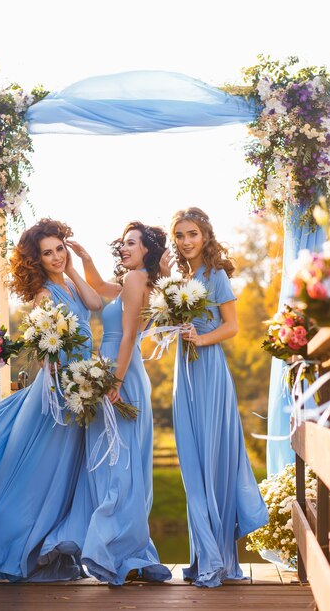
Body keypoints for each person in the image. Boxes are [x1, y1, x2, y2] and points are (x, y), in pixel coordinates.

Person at [0, 218, 102, 581]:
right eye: (48, 253)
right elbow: (47, 349)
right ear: (37, 259)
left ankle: (48, 548)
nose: (57, 257)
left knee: (63, 474)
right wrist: (61, 385)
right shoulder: (45, 294)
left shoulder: (70, 286)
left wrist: (74, 267)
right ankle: (7, 549)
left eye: (60, 249)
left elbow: (96, 301)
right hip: (58, 392)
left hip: (79, 389)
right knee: (38, 473)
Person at [43, 221, 172, 586]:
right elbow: (98, 290)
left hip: (121, 373)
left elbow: (129, 333)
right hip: (121, 371)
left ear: (147, 248)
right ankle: (120, 549)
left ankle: (115, 549)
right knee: (118, 460)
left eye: (132, 243)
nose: (124, 248)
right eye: (123, 243)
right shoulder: (136, 280)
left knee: (115, 461)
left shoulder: (136, 280)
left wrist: (114, 380)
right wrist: (79, 260)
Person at [169, 207, 268, 588]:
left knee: (212, 462)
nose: (186, 240)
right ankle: (202, 557)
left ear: (205, 236)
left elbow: (233, 326)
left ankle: (218, 559)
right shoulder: (183, 278)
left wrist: (201, 338)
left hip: (209, 370)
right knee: (192, 462)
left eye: (192, 233)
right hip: (185, 372)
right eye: (180, 235)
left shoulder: (216, 276)